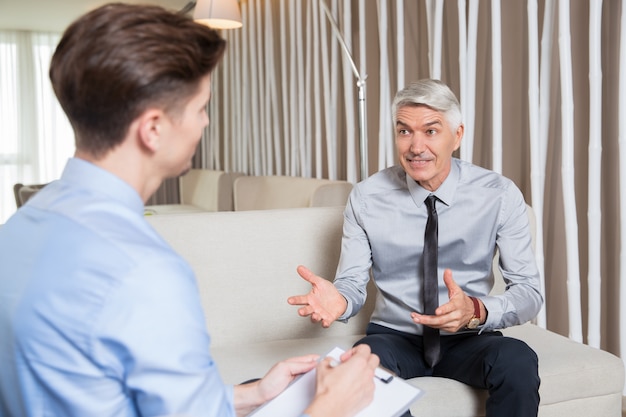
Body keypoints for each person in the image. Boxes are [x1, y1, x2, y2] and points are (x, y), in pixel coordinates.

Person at [0, 4, 380, 417]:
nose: (205, 123)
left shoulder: (20, 226)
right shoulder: (144, 269)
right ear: (153, 128)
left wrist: (250, 394)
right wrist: (332, 408)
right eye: (201, 107)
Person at [288, 79, 544, 417]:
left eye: (431, 131)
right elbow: (351, 281)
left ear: (458, 135)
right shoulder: (367, 198)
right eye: (404, 131)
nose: (415, 146)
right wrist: (342, 300)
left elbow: (529, 292)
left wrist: (477, 310)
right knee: (365, 363)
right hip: (395, 337)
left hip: (467, 337)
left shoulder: (498, 194)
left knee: (517, 359)